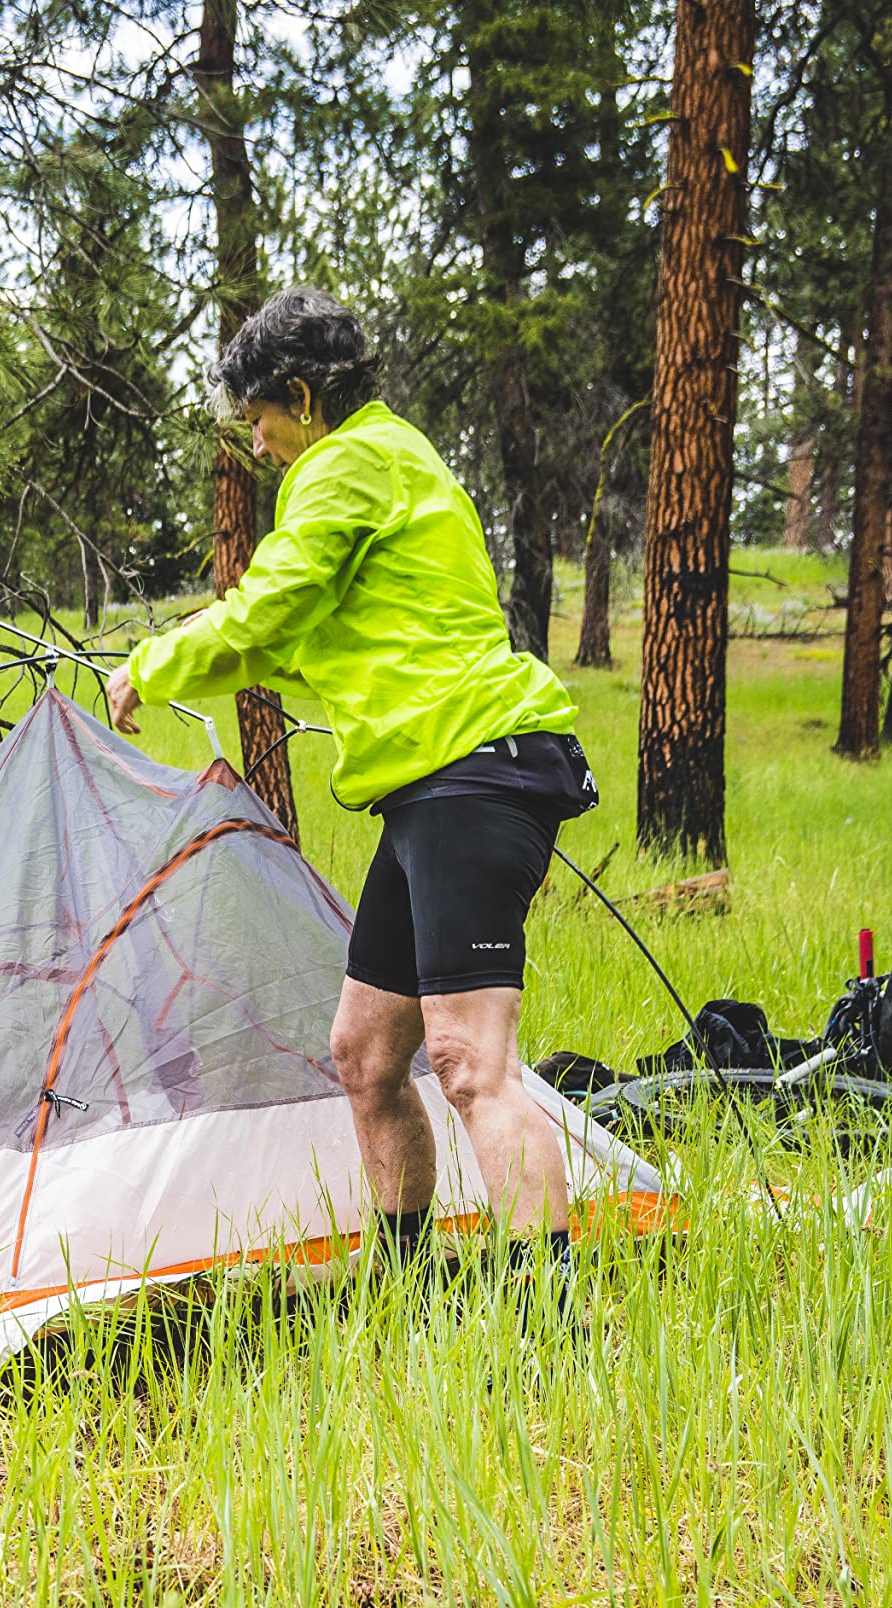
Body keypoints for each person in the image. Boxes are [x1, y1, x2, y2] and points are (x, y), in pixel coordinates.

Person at [106, 285, 599, 1292]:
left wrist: (152, 665)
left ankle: (554, 1322)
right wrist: (195, 662)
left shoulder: (347, 466)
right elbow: (314, 643)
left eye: (260, 419)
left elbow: (268, 608)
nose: (259, 443)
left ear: (300, 394)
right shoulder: (391, 461)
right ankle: (409, 1286)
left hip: (473, 769)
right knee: (368, 1053)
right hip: (431, 788)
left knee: (469, 1062)